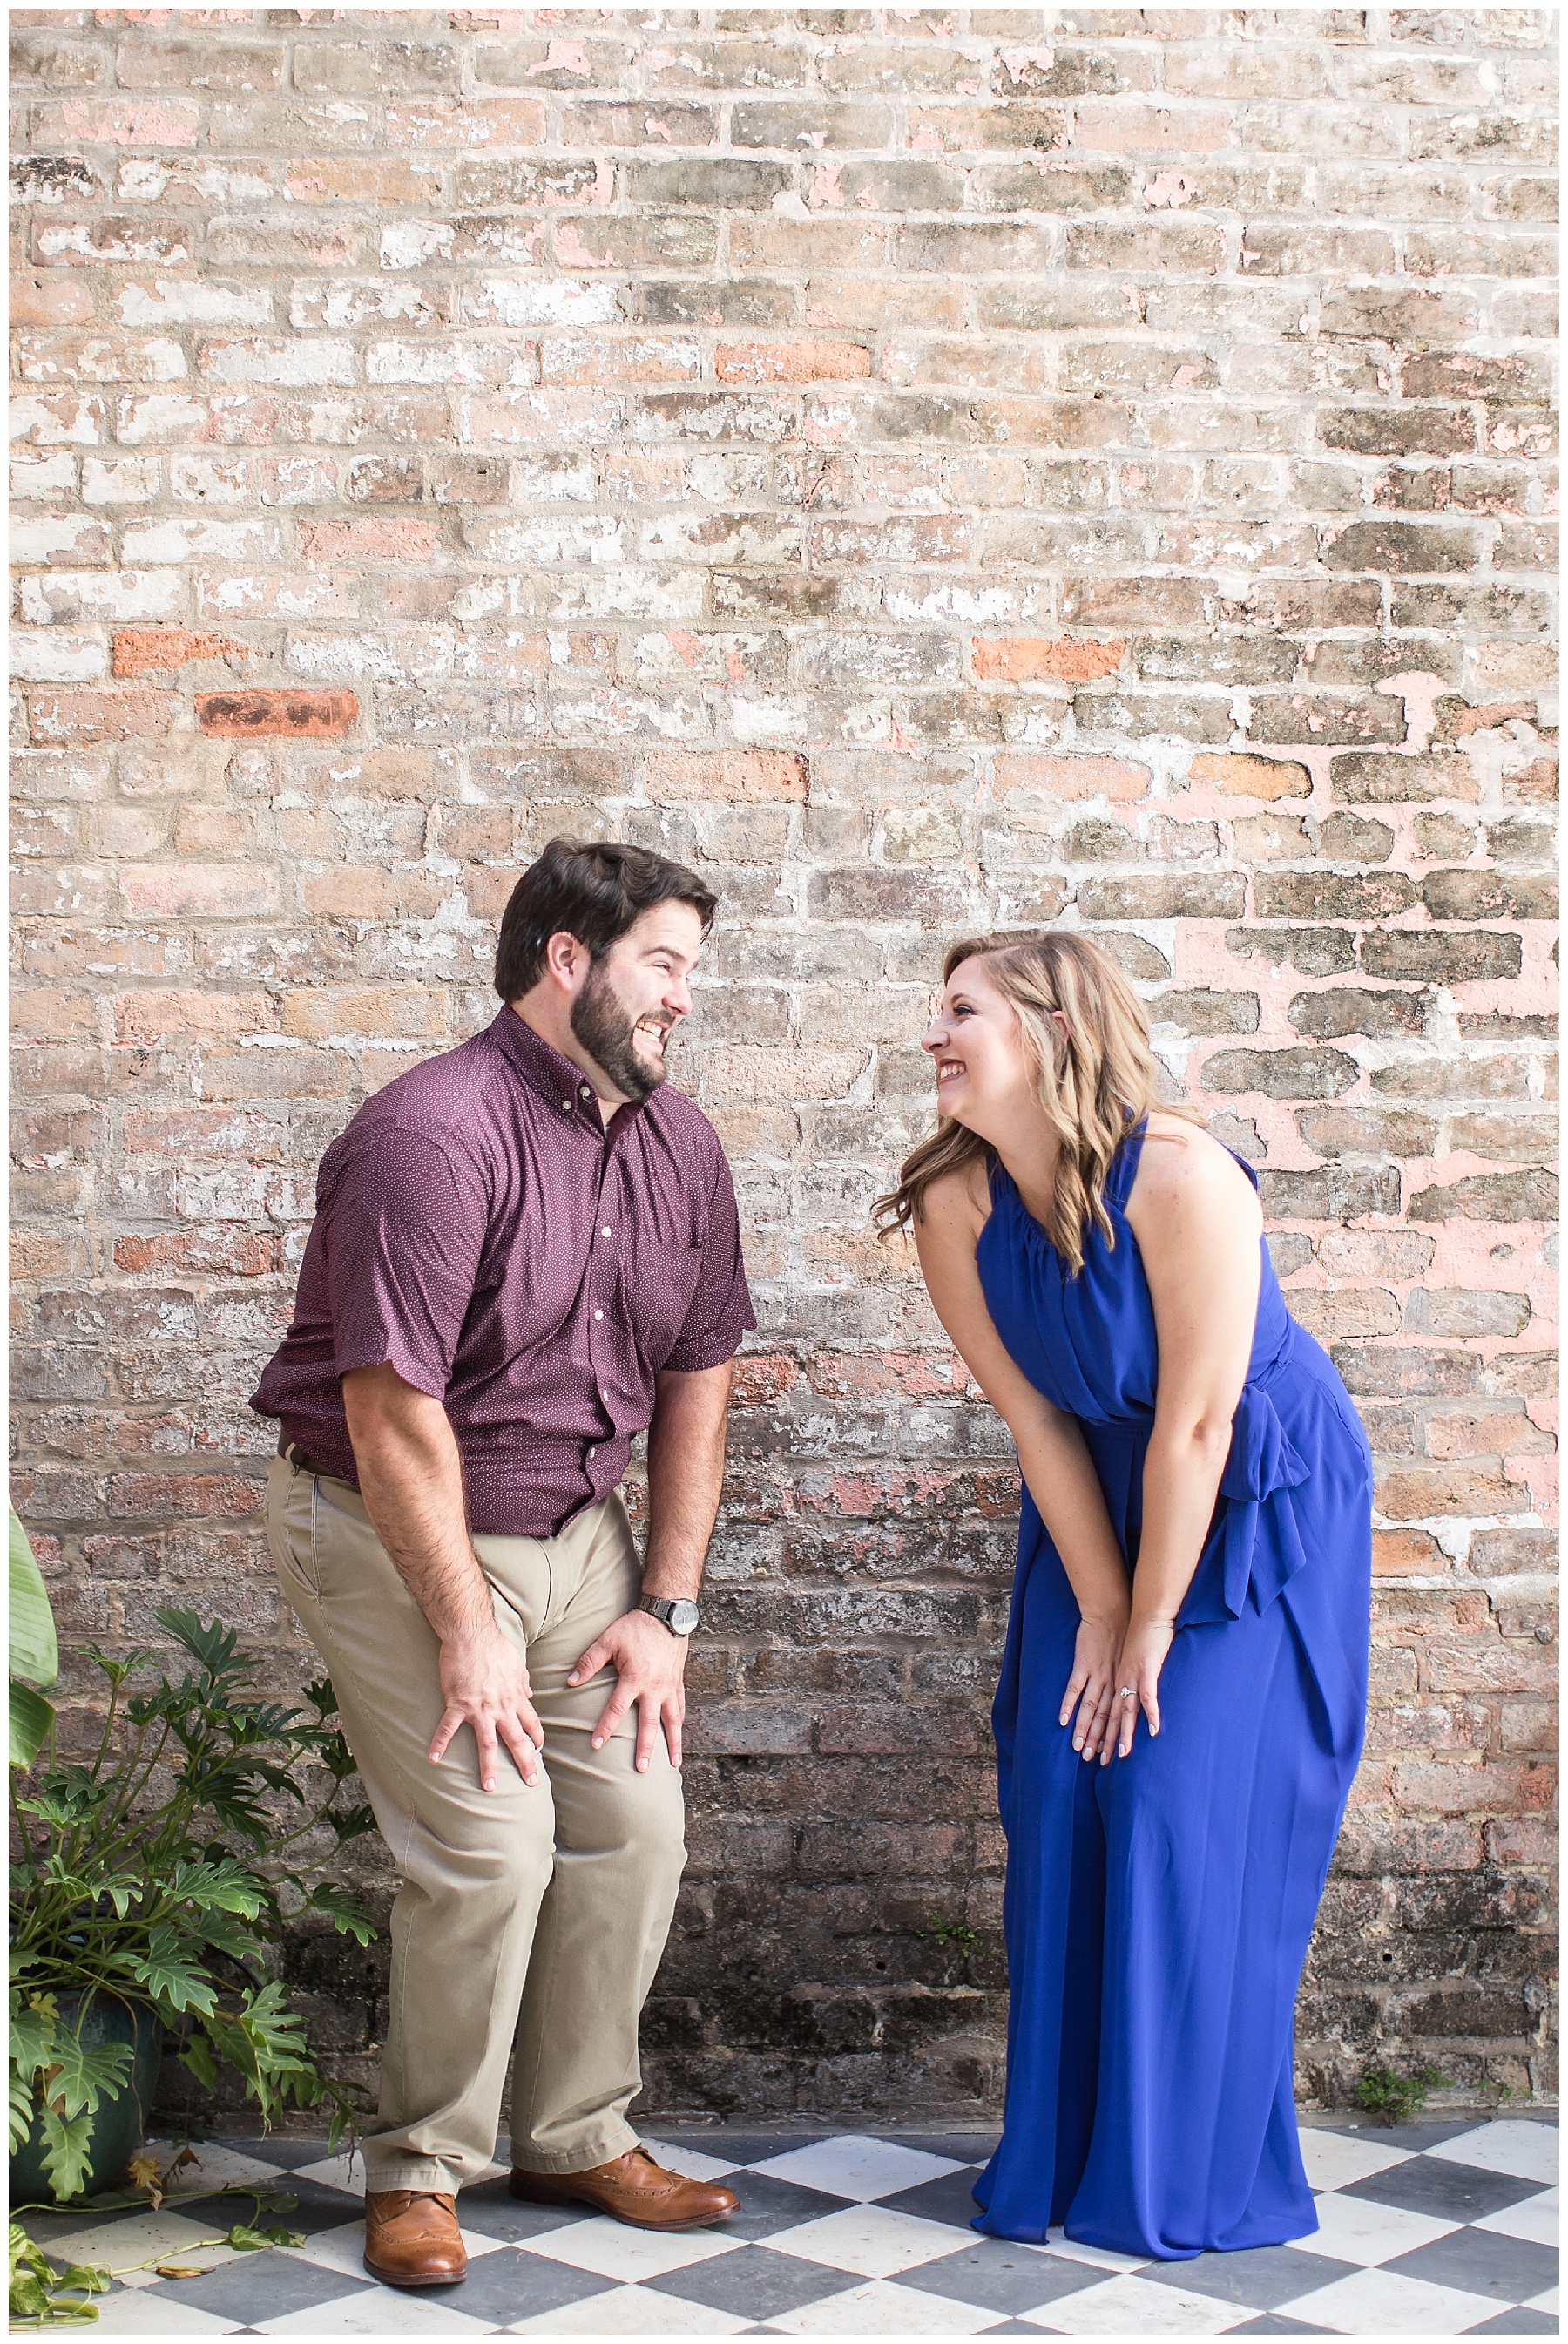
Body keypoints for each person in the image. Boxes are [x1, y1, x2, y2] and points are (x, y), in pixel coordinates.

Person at [253, 837, 754, 2286]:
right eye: (663, 964)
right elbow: (391, 1411)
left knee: (634, 1825)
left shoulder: (684, 1148)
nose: (682, 999)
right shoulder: (430, 1135)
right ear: (567, 961)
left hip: (581, 1539)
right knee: (490, 1844)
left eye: (688, 972)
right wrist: (465, 1627)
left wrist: (666, 1607)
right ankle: (422, 2165)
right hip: (389, 1524)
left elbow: (698, 1385)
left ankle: (576, 2130)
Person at [875, 929, 1370, 2262]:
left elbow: (1201, 1427)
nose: (936, 1029)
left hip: (1254, 1493)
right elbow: (1037, 1420)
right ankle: (1058, 2153)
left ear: (1047, 1028)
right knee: (1053, 1778)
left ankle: (1181, 2163)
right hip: (1094, 1490)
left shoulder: (1186, 1180)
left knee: (1164, 1791)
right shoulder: (953, 1205)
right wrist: (1099, 1605)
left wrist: (1152, 1624)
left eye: (962, 1008)